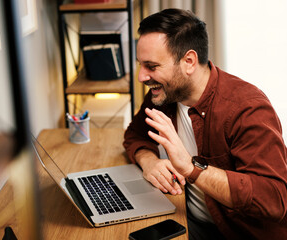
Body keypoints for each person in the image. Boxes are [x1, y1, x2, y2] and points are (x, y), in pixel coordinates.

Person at [123, 8, 287, 240]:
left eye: (152, 66)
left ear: (189, 61)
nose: (141, 77)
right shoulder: (163, 95)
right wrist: (149, 161)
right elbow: (135, 134)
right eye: (141, 64)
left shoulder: (247, 108)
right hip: (187, 220)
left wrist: (191, 168)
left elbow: (274, 199)